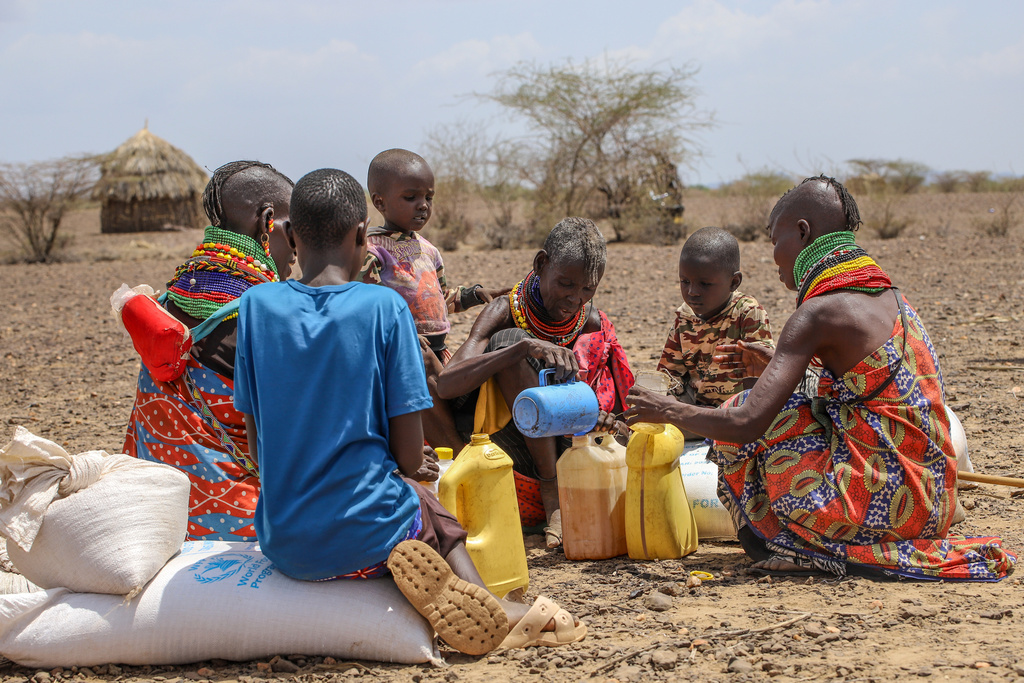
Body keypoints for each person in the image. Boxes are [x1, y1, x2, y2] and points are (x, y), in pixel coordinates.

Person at [233, 167, 586, 654]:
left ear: (290, 236)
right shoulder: (383, 308)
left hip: (283, 540)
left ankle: (438, 588)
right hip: (370, 532)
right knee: (428, 508)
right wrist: (407, 469)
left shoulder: (254, 306)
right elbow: (404, 453)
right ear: (362, 235)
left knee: (392, 494)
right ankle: (490, 604)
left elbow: (255, 444)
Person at [624, 175, 1015, 581]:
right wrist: (779, 363)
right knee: (790, 409)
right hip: (933, 496)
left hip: (893, 504)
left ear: (802, 231)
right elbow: (862, 391)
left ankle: (794, 544)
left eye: (775, 240)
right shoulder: (888, 296)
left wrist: (667, 409)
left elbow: (745, 425)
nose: (774, 257)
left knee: (743, 411)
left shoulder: (818, 313)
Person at [123, 161, 295, 541]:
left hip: (150, 512)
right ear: (267, 220)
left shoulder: (170, 295)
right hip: (238, 518)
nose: (298, 246)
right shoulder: (266, 311)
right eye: (292, 226)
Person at [436, 217, 634, 547]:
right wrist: (522, 349)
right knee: (508, 342)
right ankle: (550, 490)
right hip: (511, 443)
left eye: (588, 289)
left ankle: (560, 492)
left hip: (573, 446)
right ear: (541, 264)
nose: (575, 299)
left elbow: (611, 398)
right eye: (566, 284)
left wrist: (592, 414)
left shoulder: (592, 325)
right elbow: (446, 386)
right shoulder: (503, 312)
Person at [358, 148, 507, 450]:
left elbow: (441, 299)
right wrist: (403, 331)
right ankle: (455, 453)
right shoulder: (373, 249)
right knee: (433, 418)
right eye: (411, 197)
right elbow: (366, 300)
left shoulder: (429, 250)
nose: (423, 206)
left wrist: (476, 294)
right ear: (380, 202)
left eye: (429, 197)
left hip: (440, 352)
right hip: (403, 352)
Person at [657, 226, 774, 411]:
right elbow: (669, 376)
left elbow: (759, 374)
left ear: (734, 282)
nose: (692, 292)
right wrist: (666, 402)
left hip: (737, 408)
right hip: (696, 405)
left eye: (705, 284)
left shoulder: (747, 313)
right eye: (685, 282)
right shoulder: (685, 316)